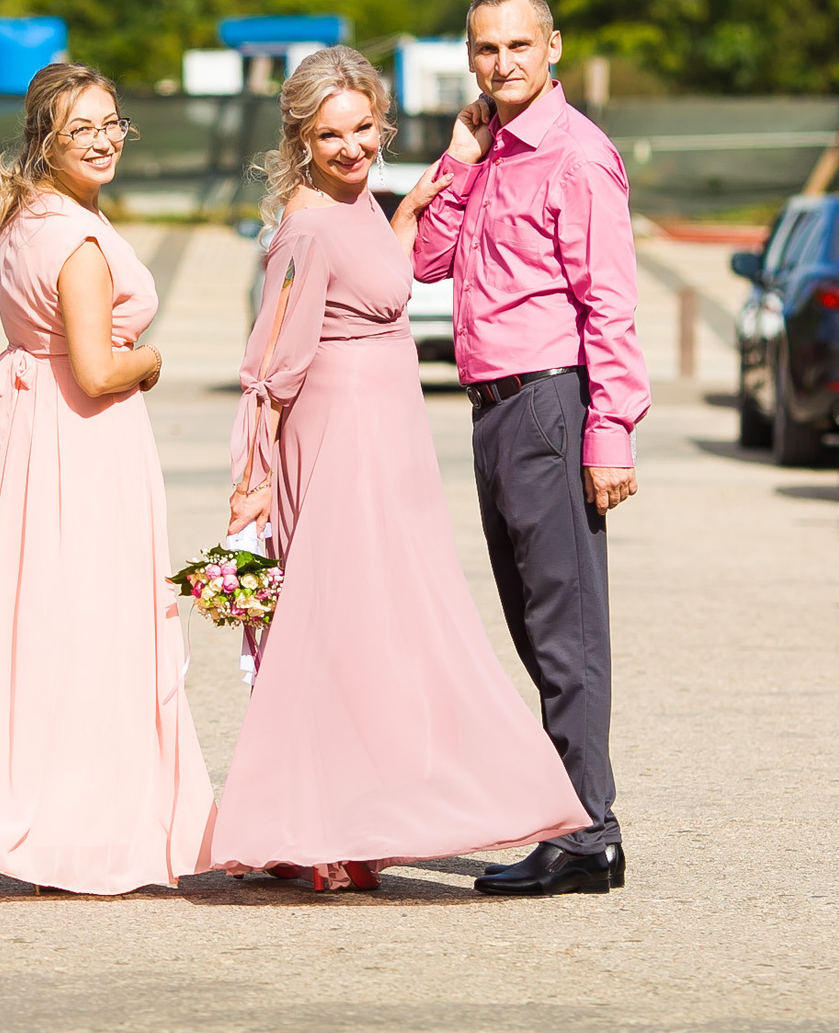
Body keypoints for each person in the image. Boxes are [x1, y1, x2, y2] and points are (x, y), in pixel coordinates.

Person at [211, 47, 588, 891]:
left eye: (362, 128)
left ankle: (347, 821)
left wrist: (432, 183)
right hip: (341, 438)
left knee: (376, 629)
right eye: (330, 134)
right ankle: (317, 830)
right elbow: (272, 358)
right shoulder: (306, 224)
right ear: (301, 138)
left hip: (388, 438)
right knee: (342, 629)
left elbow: (383, 273)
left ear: (383, 121)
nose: (351, 148)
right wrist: (256, 474)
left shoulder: (362, 205)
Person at [0, 62, 214, 894]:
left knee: (45, 625)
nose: (105, 140)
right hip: (82, 444)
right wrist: (150, 359)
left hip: (38, 435)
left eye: (113, 122)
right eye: (84, 128)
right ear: (47, 137)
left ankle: (56, 821)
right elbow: (98, 369)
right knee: (95, 629)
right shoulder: (75, 240)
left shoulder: (29, 218)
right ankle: (82, 833)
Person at [412, 0, 647, 898]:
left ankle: (589, 832)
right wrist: (462, 156)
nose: (501, 62)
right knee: (532, 620)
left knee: (565, 627)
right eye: (484, 48)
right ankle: (572, 819)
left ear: (554, 46)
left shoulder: (577, 157)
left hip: (552, 402)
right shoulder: (492, 150)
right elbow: (427, 259)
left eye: (518, 44)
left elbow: (610, 303)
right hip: (493, 406)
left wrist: (610, 433)